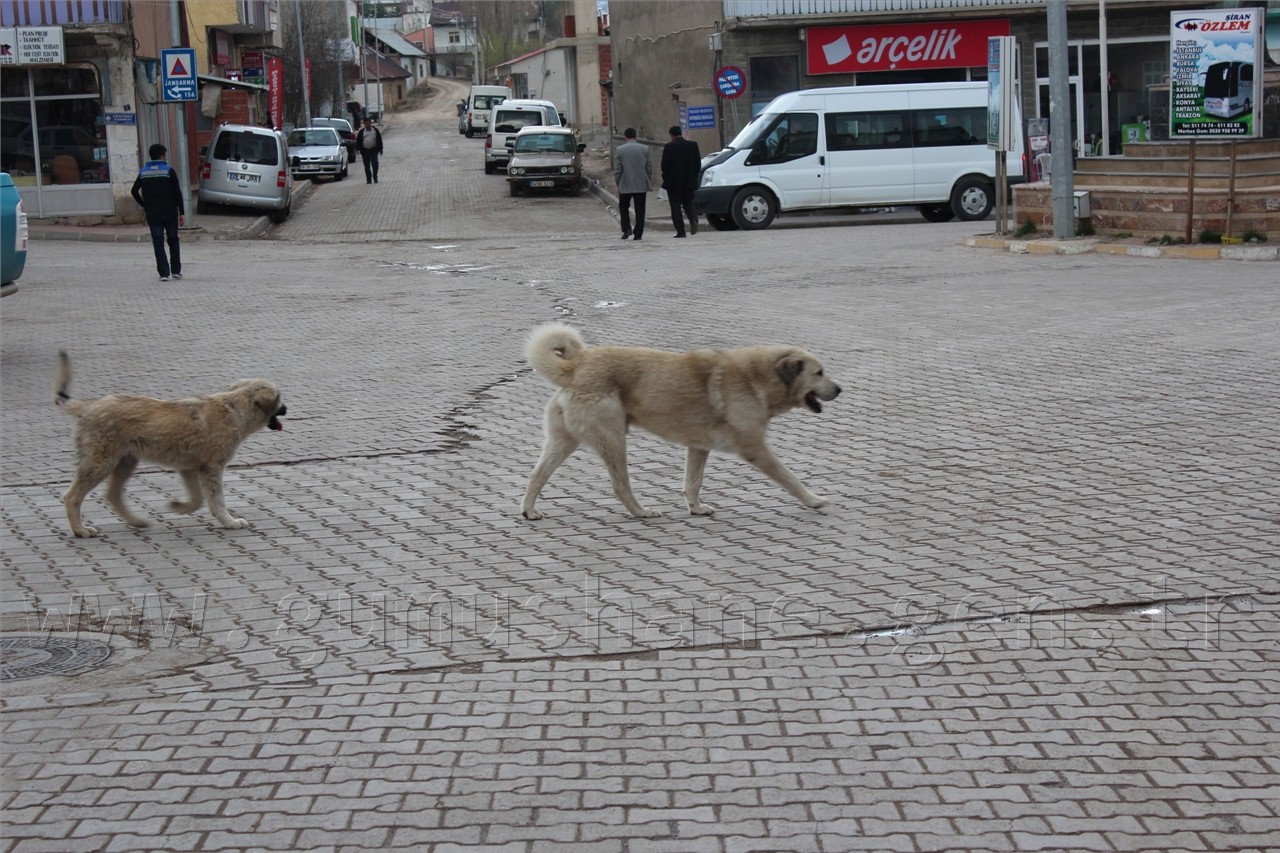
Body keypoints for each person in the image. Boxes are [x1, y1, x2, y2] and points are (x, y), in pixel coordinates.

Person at [130, 143, 184, 281]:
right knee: (173, 240)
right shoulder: (168, 170)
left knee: (158, 242)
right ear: (161, 156)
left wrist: (144, 205)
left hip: (153, 214)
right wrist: (181, 212)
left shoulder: (143, 172)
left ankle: (164, 274)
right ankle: (176, 271)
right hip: (170, 212)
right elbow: (177, 193)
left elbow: (134, 191)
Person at [660, 125, 701, 238]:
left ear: (671, 135)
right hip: (689, 182)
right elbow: (698, 164)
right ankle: (694, 220)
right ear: (681, 133)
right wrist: (693, 177)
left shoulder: (669, 147)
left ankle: (681, 231)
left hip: (673, 183)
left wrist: (666, 178)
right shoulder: (693, 145)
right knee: (689, 202)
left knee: (675, 207)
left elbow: (664, 166)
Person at [612, 127, 651, 241]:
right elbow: (649, 167)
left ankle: (626, 228)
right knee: (640, 209)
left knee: (623, 207)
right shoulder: (645, 149)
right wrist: (646, 179)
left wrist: (618, 182)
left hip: (625, 183)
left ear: (625, 137)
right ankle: (638, 233)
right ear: (636, 136)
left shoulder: (620, 150)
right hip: (641, 184)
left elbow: (618, 169)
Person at [356, 116, 383, 184]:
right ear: (364, 124)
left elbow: (379, 140)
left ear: (371, 123)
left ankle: (375, 177)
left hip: (374, 150)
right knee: (367, 166)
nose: (367, 125)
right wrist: (357, 149)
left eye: (368, 123)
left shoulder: (375, 130)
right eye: (366, 123)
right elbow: (358, 141)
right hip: (365, 150)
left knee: (375, 163)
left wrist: (380, 149)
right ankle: (368, 179)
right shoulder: (361, 132)